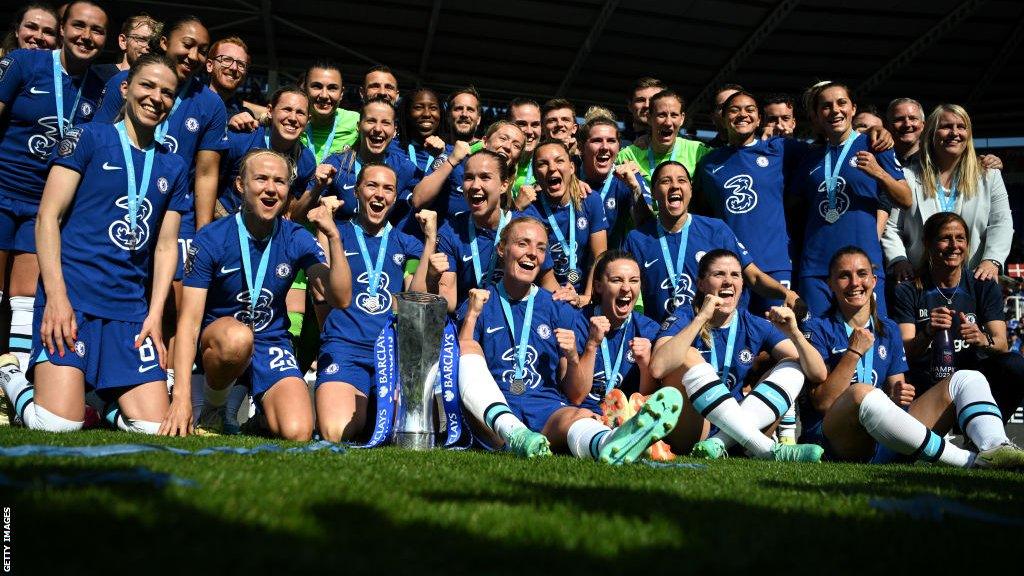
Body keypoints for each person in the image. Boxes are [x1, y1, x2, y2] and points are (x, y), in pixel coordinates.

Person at [0, 54, 188, 434]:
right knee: (56, 424)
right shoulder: (87, 137)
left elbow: (167, 247)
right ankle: (9, 375)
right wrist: (55, 298)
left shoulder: (174, 165)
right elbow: (48, 218)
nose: (156, 97)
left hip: (128, 312)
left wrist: (154, 315)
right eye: (147, 86)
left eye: (167, 92)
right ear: (125, 88)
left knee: (155, 428)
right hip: (75, 300)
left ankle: (99, 405)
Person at [456, 216, 684, 463]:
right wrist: (471, 316)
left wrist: (573, 357)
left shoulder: (556, 308)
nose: (532, 253)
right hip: (493, 409)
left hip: (545, 409)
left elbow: (575, 394)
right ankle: (514, 432)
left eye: (541, 248)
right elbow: (464, 360)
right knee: (473, 364)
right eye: (523, 244)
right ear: (501, 249)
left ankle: (612, 443)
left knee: (579, 414)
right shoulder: (479, 302)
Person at [171, 150, 351, 438]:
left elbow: (340, 298)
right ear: (241, 185)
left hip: (270, 342)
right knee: (237, 338)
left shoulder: (296, 236)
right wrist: (179, 399)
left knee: (299, 432)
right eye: (261, 179)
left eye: (279, 181)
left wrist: (333, 236)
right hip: (222, 341)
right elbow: (189, 322)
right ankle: (213, 409)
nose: (271, 188)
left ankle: (262, 419)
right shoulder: (212, 238)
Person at [798, 246, 1024, 467]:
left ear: (874, 281)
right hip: (835, 443)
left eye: (862, 274)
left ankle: (996, 447)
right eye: (844, 276)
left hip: (882, 440)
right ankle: (967, 460)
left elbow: (897, 395)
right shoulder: (815, 329)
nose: (855, 283)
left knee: (967, 378)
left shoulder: (888, 329)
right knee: (860, 393)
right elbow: (823, 403)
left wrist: (897, 396)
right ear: (830, 284)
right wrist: (854, 352)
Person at [0, 0, 109, 369]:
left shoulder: (100, 89)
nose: (86, 36)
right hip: (1, 193)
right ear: (62, 28)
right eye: (79, 26)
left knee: (25, 297)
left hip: (43, 208)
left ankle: (12, 378)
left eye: (96, 30)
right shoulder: (23, 64)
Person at [648, 249, 826, 461]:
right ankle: (768, 450)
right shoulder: (685, 316)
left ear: (742, 284)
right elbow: (658, 368)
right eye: (719, 274)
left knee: (794, 365)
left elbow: (818, 373)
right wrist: (701, 318)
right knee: (687, 354)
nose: (728, 281)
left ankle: (719, 443)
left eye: (735, 275)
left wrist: (795, 333)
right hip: (694, 428)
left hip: (741, 425)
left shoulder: (753, 323)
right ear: (701, 284)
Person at [314, 164, 436, 442]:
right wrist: (326, 230)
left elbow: (415, 300)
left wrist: (429, 241)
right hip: (344, 348)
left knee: (401, 433)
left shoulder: (407, 244)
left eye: (388, 188)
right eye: (372, 186)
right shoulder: (338, 232)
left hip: (390, 354)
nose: (379, 194)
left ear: (395, 197)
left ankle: (370, 410)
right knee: (337, 431)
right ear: (357, 190)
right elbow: (323, 292)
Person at [93, 15, 228, 242]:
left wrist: (202, 237)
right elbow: (97, 143)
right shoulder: (125, 82)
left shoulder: (211, 104)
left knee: (172, 277)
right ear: (164, 42)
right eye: (187, 45)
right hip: (117, 200)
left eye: (202, 50)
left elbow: (206, 174)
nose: (193, 56)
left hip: (175, 213)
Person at [787, 81, 909, 316]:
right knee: (818, 343)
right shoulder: (809, 158)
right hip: (816, 268)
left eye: (841, 103)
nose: (835, 110)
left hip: (863, 267)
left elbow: (906, 199)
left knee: (868, 339)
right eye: (826, 106)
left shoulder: (875, 144)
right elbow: (791, 208)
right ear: (817, 115)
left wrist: (878, 172)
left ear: (853, 108)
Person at [622, 161, 795, 324]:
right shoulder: (637, 239)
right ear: (653, 192)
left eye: (682, 180)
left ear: (690, 188)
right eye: (666, 181)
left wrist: (785, 293)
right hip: (664, 337)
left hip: (714, 333)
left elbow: (753, 277)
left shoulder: (715, 230)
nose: (675, 185)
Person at [890, 212, 1024, 420]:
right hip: (926, 377)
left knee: (1015, 365)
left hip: (974, 374)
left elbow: (1001, 344)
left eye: (960, 238)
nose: (954, 245)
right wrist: (927, 333)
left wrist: (981, 338)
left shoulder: (983, 285)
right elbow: (904, 352)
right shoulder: (908, 289)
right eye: (945, 238)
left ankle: (985, 431)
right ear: (927, 243)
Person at [697, 90, 810, 313]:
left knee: (778, 334)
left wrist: (876, 131)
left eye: (750, 110)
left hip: (775, 264)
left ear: (759, 119)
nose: (742, 115)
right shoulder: (708, 164)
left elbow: (827, 150)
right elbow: (702, 212)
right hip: (731, 269)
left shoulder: (780, 149)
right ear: (723, 117)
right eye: (734, 110)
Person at [883, 104, 1013, 284]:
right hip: (920, 282)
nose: (954, 132)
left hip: (974, 278)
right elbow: (892, 227)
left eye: (961, 126)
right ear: (931, 133)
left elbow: (1002, 223)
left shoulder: (988, 176)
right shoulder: (907, 176)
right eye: (946, 127)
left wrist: (992, 260)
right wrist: (899, 260)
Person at [427, 149, 556, 312]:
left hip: (520, 320)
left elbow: (548, 283)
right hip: (470, 320)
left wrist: (567, 296)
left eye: (485, 177)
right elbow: (449, 301)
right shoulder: (452, 230)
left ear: (504, 185)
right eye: (468, 178)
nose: (475, 185)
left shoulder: (526, 227)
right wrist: (431, 280)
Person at [297, 95, 418, 223]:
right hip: (340, 241)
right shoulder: (335, 165)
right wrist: (317, 188)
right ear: (358, 126)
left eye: (385, 123)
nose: (377, 129)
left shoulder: (404, 167)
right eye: (371, 121)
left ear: (394, 131)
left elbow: (427, 200)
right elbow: (297, 216)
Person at [569, 250, 660, 415]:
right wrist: (591, 345)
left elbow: (647, 400)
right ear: (598, 286)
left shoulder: (648, 330)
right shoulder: (577, 323)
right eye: (616, 280)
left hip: (630, 420)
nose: (626, 288)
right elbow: (576, 397)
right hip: (584, 417)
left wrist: (645, 365)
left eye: (634, 281)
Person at [521, 140, 608, 301]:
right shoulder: (530, 211)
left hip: (585, 294)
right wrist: (566, 299)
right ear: (534, 173)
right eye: (543, 164)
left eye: (559, 161)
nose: (552, 168)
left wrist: (586, 298)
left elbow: (599, 257)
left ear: (572, 168)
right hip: (546, 296)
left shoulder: (590, 200)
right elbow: (543, 275)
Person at [217, 86, 315, 215]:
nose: (293, 118)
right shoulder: (241, 139)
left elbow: (290, 211)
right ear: (270, 111)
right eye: (287, 109)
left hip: (266, 230)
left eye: (300, 113)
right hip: (224, 220)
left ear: (308, 120)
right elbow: (208, 180)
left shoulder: (306, 160)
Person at [410, 119, 525, 222]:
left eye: (516, 146)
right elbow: (418, 200)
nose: (508, 147)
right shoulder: (455, 161)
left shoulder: (507, 190)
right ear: (484, 142)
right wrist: (452, 160)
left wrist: (517, 207)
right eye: (503, 138)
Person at [617, 89, 712, 185]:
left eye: (674, 115)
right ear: (649, 118)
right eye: (661, 115)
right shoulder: (628, 156)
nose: (668, 123)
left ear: (682, 119)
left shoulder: (699, 152)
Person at [578, 116, 647, 244]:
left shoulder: (628, 178)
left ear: (619, 147)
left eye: (611, 141)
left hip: (612, 261)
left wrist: (635, 188)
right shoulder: (570, 177)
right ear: (581, 147)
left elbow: (647, 225)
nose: (605, 147)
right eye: (597, 141)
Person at [299, 60, 359, 162]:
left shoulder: (356, 121)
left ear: (341, 93)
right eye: (317, 86)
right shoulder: (292, 120)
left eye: (332, 88)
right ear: (304, 89)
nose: (324, 95)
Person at [206, 36, 257, 130]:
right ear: (210, 65)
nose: (234, 67)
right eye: (226, 60)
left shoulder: (246, 117)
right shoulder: (188, 100)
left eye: (241, 64)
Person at [92, 12, 157, 80]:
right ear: (123, 41)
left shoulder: (155, 81)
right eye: (141, 39)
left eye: (153, 42)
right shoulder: (98, 74)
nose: (148, 46)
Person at [508, 98, 542, 196]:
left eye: (535, 125)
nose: (530, 131)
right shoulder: (490, 159)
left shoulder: (548, 166)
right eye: (522, 124)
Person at [885, 97, 925, 166]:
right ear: (888, 125)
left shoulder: (936, 160)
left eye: (913, 118)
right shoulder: (879, 159)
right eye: (899, 119)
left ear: (923, 125)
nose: (907, 125)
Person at [706, 83, 743, 148]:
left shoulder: (765, 147)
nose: (732, 110)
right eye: (723, 107)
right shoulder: (705, 154)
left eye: (738, 105)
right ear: (712, 117)